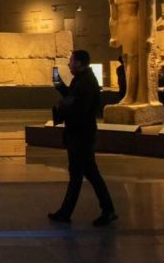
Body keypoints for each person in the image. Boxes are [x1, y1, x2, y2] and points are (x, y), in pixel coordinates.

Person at [49, 50, 117, 227]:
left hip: (81, 135)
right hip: (79, 134)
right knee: (81, 174)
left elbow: (79, 107)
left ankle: (107, 210)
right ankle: (68, 212)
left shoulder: (85, 82)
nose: (69, 64)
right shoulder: (81, 80)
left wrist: (63, 108)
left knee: (84, 174)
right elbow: (71, 96)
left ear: (78, 63)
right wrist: (58, 83)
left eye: (71, 61)